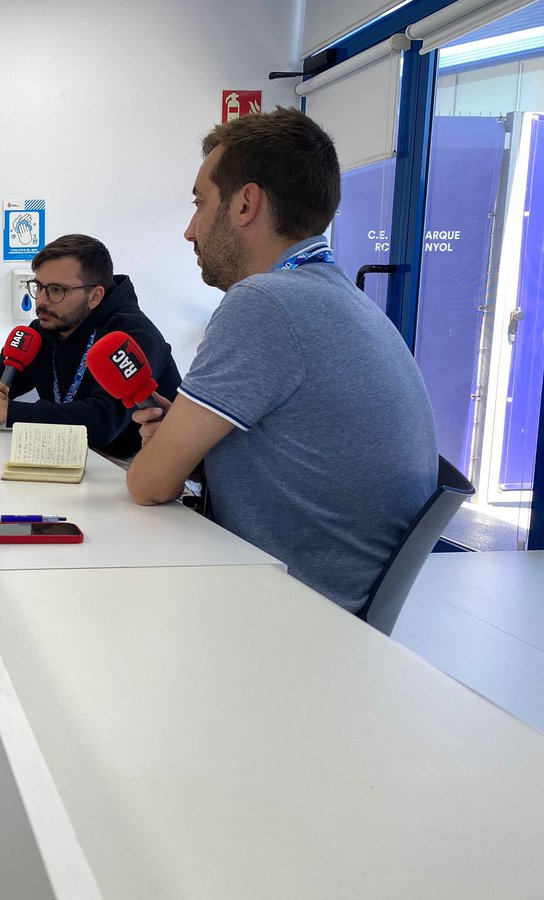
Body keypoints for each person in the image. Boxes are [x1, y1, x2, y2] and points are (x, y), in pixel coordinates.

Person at [126, 108, 438, 612]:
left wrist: (164, 456)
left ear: (246, 203)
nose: (189, 230)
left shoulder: (265, 302)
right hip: (334, 606)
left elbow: (148, 484)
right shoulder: (336, 296)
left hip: (290, 613)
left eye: (200, 203)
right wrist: (191, 453)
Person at [0, 234, 180, 457]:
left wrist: (9, 411)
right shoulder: (41, 331)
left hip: (131, 464)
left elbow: (105, 422)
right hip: (69, 454)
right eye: (38, 287)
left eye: (57, 290)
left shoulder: (132, 334)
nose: (42, 301)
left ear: (94, 296)